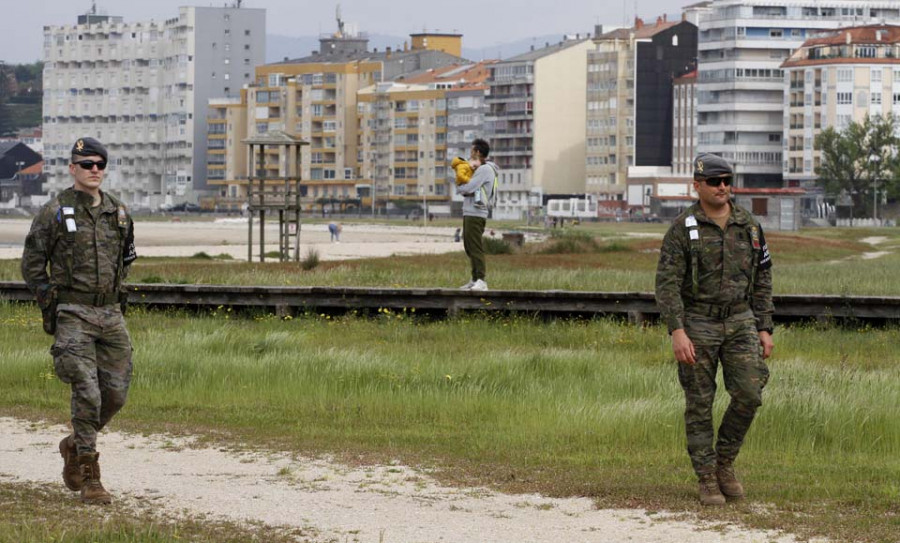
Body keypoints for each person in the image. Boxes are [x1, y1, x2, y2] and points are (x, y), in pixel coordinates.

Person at [21, 137, 137, 505]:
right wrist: (50, 305)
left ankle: (73, 443)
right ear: (72, 168)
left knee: (115, 394)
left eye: (100, 164)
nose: (94, 170)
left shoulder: (119, 211)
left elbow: (126, 259)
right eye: (87, 164)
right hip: (73, 313)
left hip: (110, 314)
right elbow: (32, 264)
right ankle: (89, 474)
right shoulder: (55, 211)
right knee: (86, 391)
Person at [654, 152, 774, 506]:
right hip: (698, 323)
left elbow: (763, 277)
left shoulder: (749, 225)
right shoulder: (682, 229)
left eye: (727, 181)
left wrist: (764, 326)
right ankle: (706, 477)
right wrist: (677, 330)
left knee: (750, 393)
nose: (723, 187)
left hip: (739, 320)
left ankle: (725, 463)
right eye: (714, 182)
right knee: (700, 403)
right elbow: (667, 285)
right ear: (698, 185)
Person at [454, 138, 498, 291]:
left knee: (475, 246)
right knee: (469, 246)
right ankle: (474, 279)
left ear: (478, 152)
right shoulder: (478, 169)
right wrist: (462, 187)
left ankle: (481, 280)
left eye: (472, 151)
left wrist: (460, 187)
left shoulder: (484, 170)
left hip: (476, 212)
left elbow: (469, 187)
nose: (470, 154)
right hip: (470, 211)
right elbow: (466, 188)